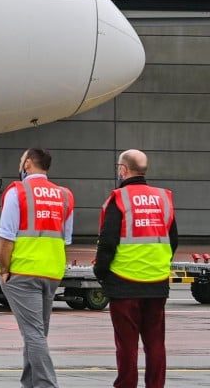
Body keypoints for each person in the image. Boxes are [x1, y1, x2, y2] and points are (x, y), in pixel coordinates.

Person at [94, 149, 178, 388]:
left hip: (123, 283)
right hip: (157, 282)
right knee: (155, 343)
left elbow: (108, 241)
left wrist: (101, 271)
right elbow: (173, 240)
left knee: (127, 345)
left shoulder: (119, 199)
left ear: (123, 170)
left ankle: (126, 385)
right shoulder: (164, 198)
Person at [0, 148, 74, 388]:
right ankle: (29, 383)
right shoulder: (64, 195)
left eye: (21, 160)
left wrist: (4, 270)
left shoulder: (17, 192)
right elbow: (66, 238)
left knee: (33, 333)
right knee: (37, 333)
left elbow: (6, 237)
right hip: (51, 272)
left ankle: (46, 385)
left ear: (28, 164)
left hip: (23, 270)